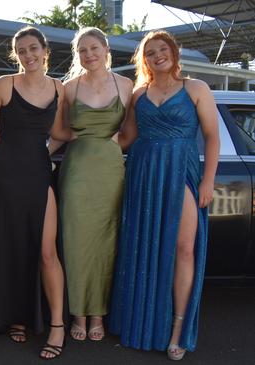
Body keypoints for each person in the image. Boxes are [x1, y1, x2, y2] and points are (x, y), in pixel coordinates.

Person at [109, 30, 219, 361]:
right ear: (143, 60)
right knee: (144, 247)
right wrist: (91, 139)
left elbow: (212, 138)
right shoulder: (138, 94)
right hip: (144, 173)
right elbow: (126, 137)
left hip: (181, 171)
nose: (158, 55)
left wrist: (207, 181)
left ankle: (178, 328)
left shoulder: (195, 88)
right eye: (150, 52)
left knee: (184, 249)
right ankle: (147, 322)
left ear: (173, 52)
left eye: (163, 49)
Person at [0, 26, 67, 360]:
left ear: (45, 51)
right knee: (9, 247)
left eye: (33, 49)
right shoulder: (5, 84)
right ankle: (16, 318)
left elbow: (58, 132)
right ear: (17, 56)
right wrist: (5, 143)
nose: (28, 56)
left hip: (39, 174)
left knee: (45, 251)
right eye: (22, 51)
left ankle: (57, 325)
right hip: (5, 175)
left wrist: (49, 147)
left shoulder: (59, 88)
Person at [56, 27, 133, 342]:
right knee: (75, 240)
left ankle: (98, 313)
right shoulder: (69, 88)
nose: (89, 55)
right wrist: (81, 139)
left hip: (110, 172)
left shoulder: (128, 85)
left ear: (105, 49)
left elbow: (130, 133)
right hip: (76, 171)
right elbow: (58, 130)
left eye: (93, 49)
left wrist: (109, 145)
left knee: (107, 240)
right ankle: (78, 313)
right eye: (82, 51)